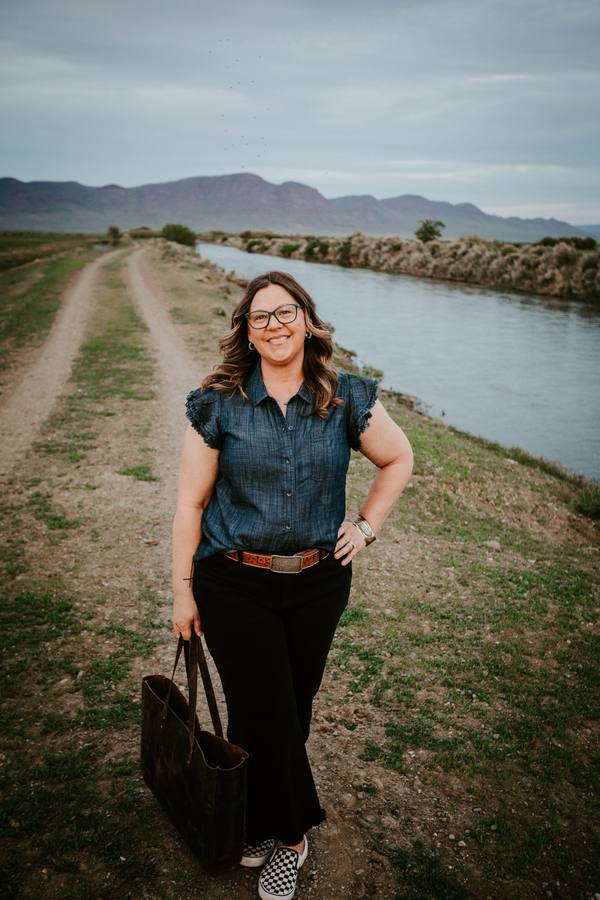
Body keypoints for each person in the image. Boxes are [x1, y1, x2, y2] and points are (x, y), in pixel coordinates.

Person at [171, 270, 413, 900]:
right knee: (268, 704)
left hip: (317, 583)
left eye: (285, 313)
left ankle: (256, 814)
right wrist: (181, 591)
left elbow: (399, 458)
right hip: (232, 580)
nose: (274, 326)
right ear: (246, 334)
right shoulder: (217, 402)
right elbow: (191, 505)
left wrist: (364, 526)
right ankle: (291, 837)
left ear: (307, 320)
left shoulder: (347, 398)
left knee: (289, 707)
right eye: (260, 318)